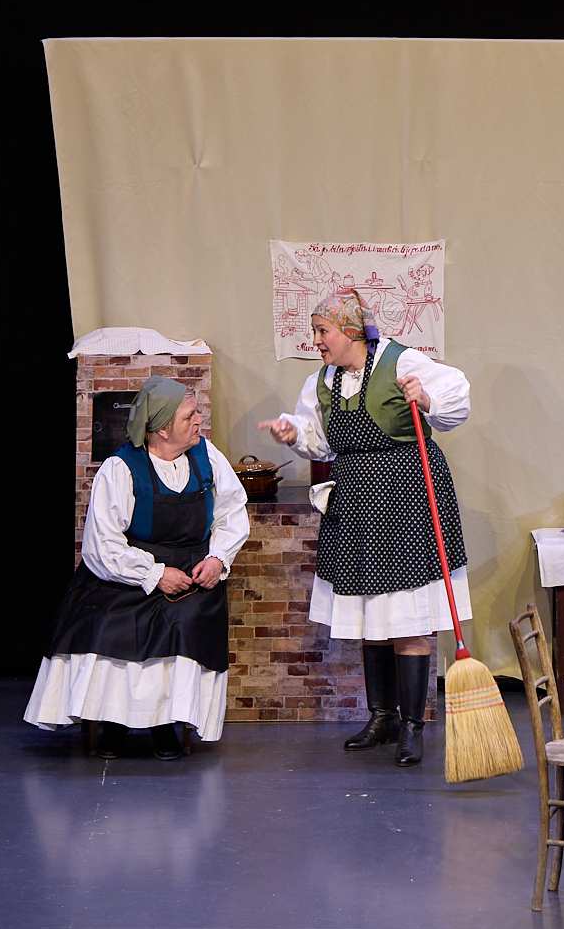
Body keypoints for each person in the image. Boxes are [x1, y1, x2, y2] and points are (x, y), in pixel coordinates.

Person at [258, 289, 471, 768]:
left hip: (407, 498)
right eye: (315, 332)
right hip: (356, 501)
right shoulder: (322, 381)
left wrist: (427, 398)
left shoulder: (401, 361)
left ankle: (412, 726)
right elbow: (317, 440)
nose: (316, 341)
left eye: (323, 331)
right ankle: (383, 717)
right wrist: (294, 435)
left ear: (351, 331)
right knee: (371, 615)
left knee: (409, 618)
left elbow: (456, 397)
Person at [26, 377, 248, 760]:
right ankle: (112, 724)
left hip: (191, 572)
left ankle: (165, 725)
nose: (199, 420)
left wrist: (217, 559)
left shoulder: (206, 456)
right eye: (189, 416)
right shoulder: (121, 468)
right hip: (127, 571)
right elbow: (103, 544)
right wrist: (153, 574)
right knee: (110, 622)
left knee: (183, 622)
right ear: (162, 429)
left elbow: (232, 511)